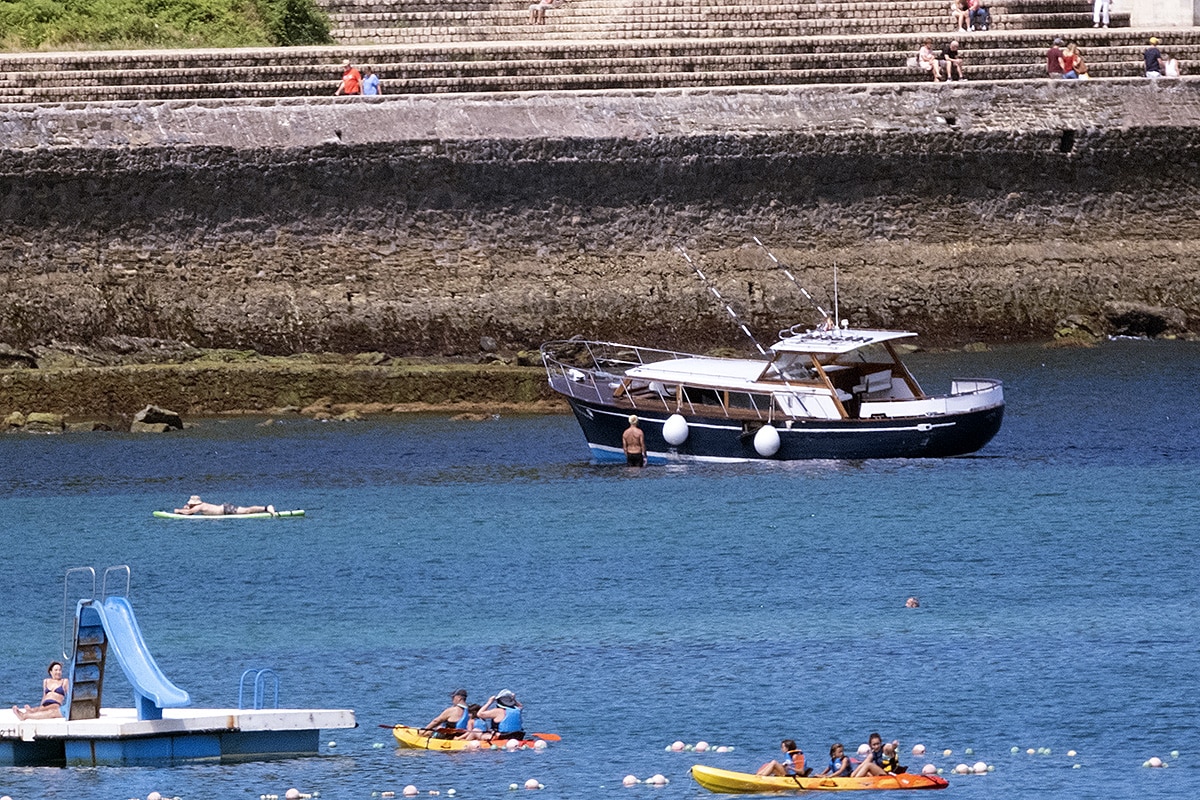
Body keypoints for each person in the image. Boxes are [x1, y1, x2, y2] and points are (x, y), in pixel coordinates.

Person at [174, 495, 275, 516]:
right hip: (225, 509)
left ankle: (266, 508)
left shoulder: (199, 506)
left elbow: (189, 512)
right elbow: (189, 512)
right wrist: (185, 509)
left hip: (225, 509)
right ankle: (266, 508)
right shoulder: (199, 506)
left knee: (246, 511)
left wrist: (178, 511)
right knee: (246, 510)